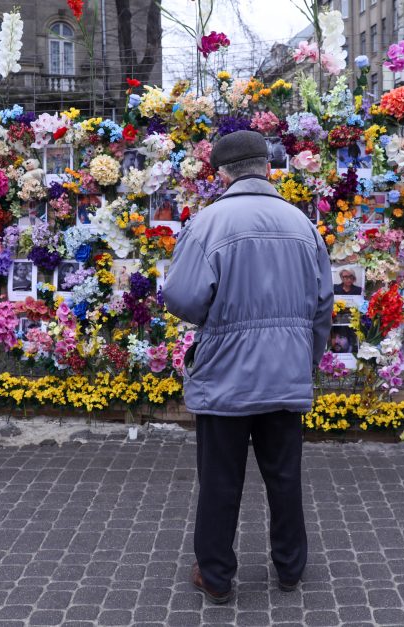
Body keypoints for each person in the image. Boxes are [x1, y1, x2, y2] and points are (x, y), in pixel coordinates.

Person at [163, 130, 333, 604]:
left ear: (221, 173)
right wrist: (305, 358)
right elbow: (323, 306)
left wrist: (219, 318)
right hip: (285, 373)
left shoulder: (208, 224)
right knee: (284, 475)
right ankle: (290, 568)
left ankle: (216, 575)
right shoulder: (303, 225)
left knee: (220, 478)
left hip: (225, 377)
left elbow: (181, 297)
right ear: (267, 167)